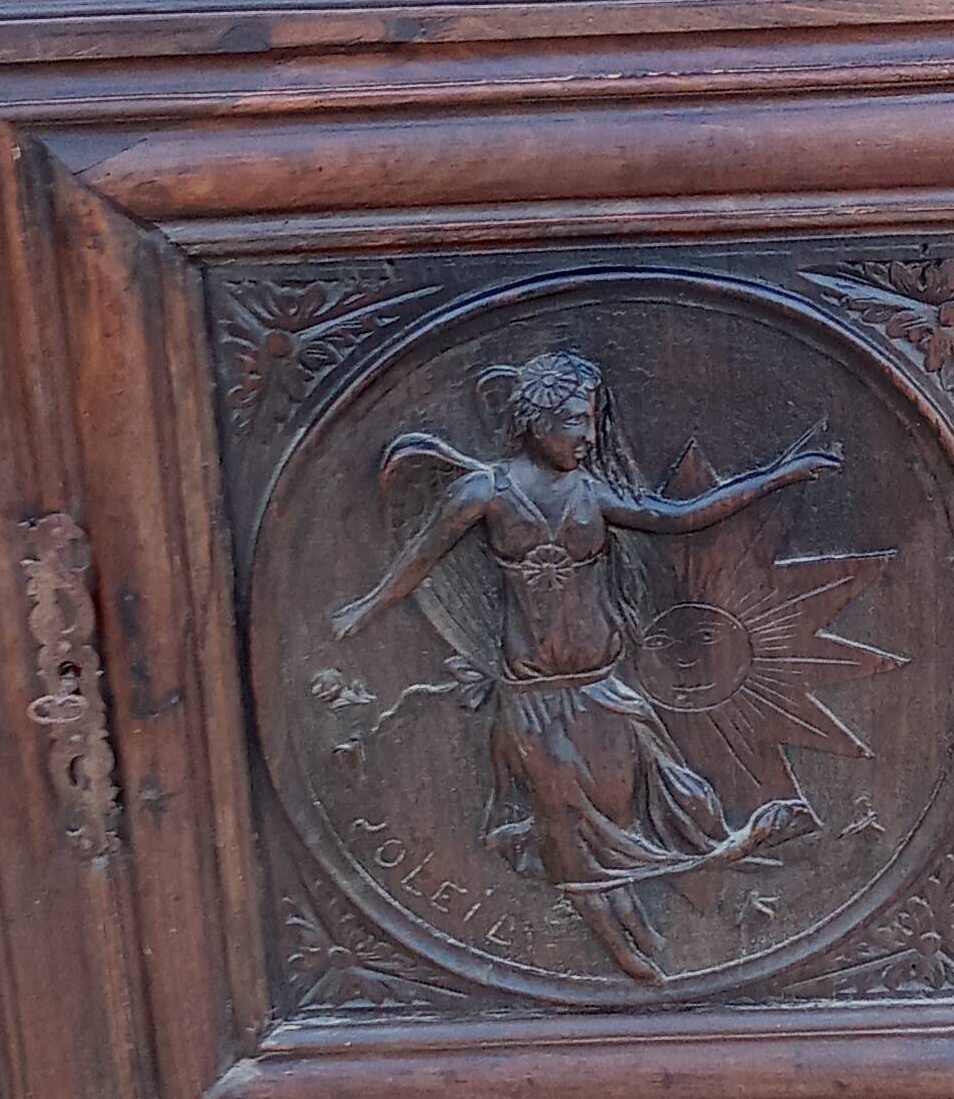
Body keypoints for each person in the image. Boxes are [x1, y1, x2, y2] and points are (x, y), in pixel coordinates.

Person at [329, 351, 837, 981]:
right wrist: (365, 610)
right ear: (536, 421)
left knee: (619, 818)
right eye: (575, 420)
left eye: (591, 420)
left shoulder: (591, 494)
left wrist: (778, 477)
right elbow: (419, 558)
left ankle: (641, 935)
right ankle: (624, 951)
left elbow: (676, 519)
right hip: (535, 696)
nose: (587, 436)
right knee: (567, 827)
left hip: (602, 691)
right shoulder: (485, 494)